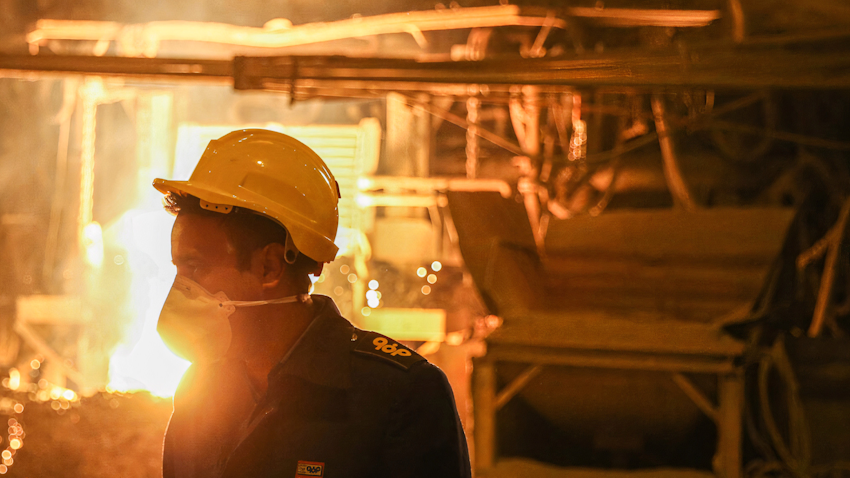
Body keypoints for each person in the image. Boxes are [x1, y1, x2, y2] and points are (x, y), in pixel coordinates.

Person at [154, 129, 471, 478]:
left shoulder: (400, 397)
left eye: (196, 267)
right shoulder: (200, 389)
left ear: (269, 267)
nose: (179, 288)